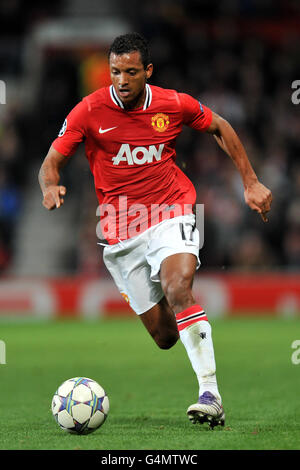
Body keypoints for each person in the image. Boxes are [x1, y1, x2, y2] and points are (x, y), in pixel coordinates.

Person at [38, 32, 272, 429]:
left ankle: (210, 394)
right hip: (120, 229)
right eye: (115, 72)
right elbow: (50, 162)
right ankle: (190, 323)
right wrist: (49, 185)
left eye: (131, 72)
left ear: (147, 71)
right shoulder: (88, 111)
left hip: (171, 209)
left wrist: (250, 181)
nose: (122, 80)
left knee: (178, 287)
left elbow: (220, 126)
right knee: (165, 336)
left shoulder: (172, 103)